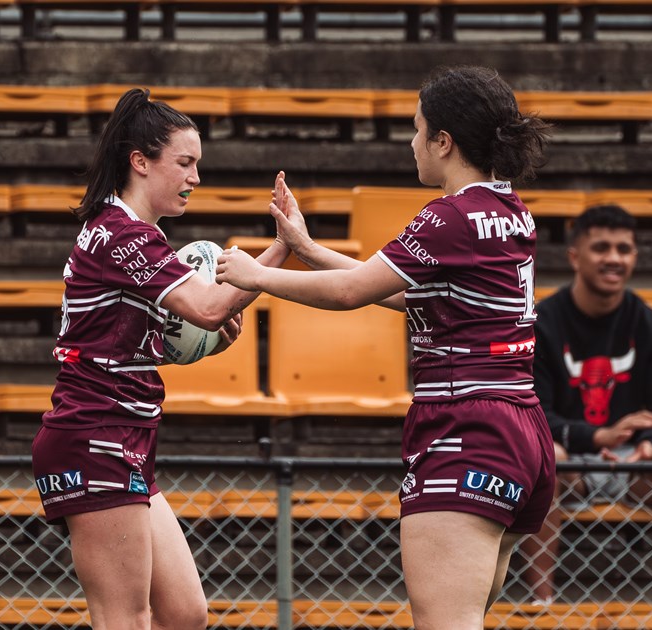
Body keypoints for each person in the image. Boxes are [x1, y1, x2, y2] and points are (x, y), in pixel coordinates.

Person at [217, 66, 556, 629]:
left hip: (465, 429)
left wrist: (256, 276)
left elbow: (353, 291)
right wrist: (305, 248)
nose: (411, 142)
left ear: (443, 142)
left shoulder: (448, 216)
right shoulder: (508, 210)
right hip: (521, 427)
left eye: (417, 129)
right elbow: (409, 294)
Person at [34, 88, 285, 630]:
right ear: (140, 162)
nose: (196, 177)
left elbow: (133, 343)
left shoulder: (136, 236)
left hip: (126, 435)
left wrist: (205, 338)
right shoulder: (122, 236)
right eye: (185, 163)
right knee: (126, 619)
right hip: (94, 435)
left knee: (184, 614)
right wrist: (281, 251)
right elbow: (209, 305)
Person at [523, 204, 652, 609]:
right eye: (601, 248)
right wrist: (596, 435)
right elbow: (534, 413)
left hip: (638, 465)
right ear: (574, 256)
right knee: (545, 455)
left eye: (625, 249)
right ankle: (541, 605)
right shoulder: (542, 321)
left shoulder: (651, 325)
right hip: (569, 464)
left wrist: (650, 446)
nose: (614, 258)